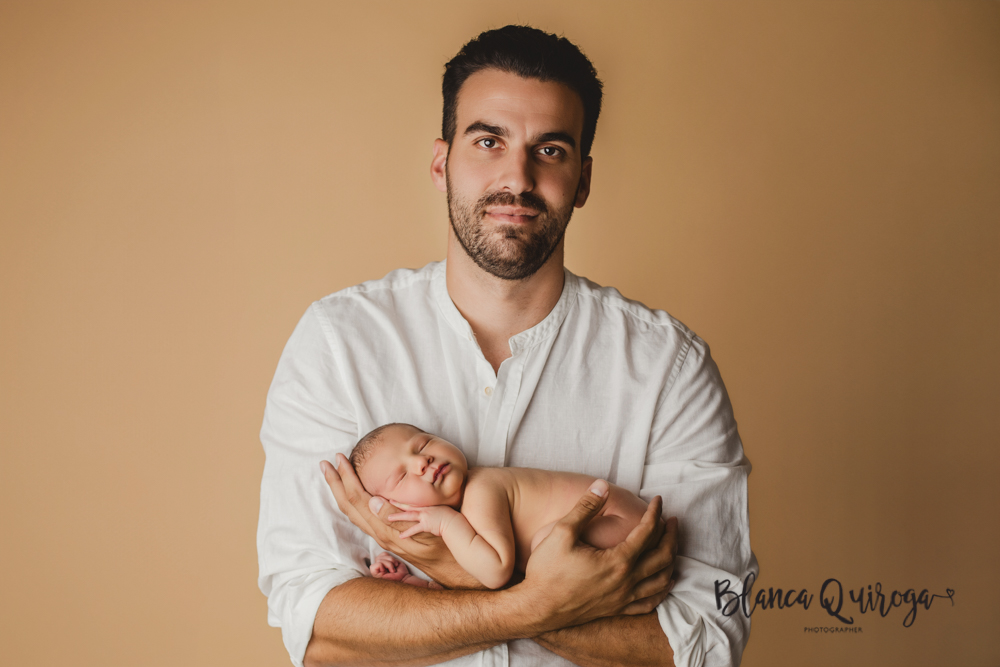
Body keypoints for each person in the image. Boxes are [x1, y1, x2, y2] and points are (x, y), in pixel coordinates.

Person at [257, 24, 756, 667]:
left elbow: (706, 641)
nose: (516, 178)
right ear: (441, 163)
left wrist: (451, 572)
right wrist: (539, 604)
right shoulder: (338, 344)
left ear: (582, 180)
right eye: (488, 141)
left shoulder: (670, 368)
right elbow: (319, 629)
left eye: (549, 150)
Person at [342, 423, 652, 590]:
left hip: (620, 519)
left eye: (422, 445)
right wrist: (413, 579)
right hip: (620, 523)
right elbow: (465, 573)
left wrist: (445, 524)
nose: (422, 462)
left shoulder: (481, 488)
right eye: (401, 476)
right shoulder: (464, 515)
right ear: (392, 507)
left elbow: (494, 573)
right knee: (551, 555)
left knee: (551, 549)